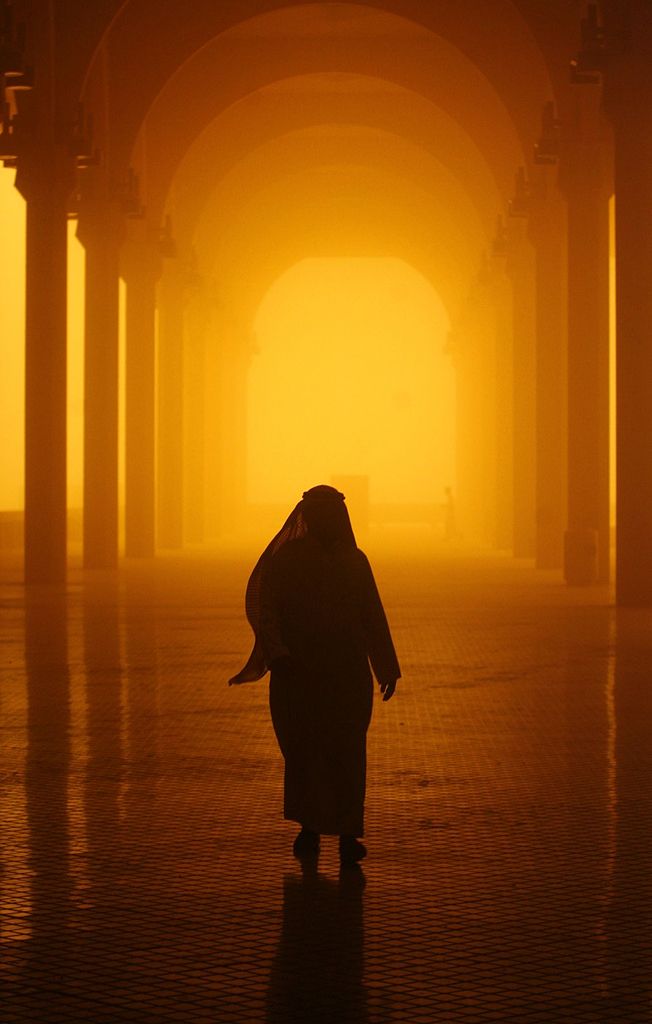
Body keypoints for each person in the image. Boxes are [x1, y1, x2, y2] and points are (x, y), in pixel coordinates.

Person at [230, 485, 400, 865]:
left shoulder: (355, 562)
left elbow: (372, 617)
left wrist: (386, 667)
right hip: (301, 674)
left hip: (346, 675)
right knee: (306, 753)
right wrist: (279, 654)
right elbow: (268, 611)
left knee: (347, 752)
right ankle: (310, 826)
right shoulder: (287, 562)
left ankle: (346, 833)